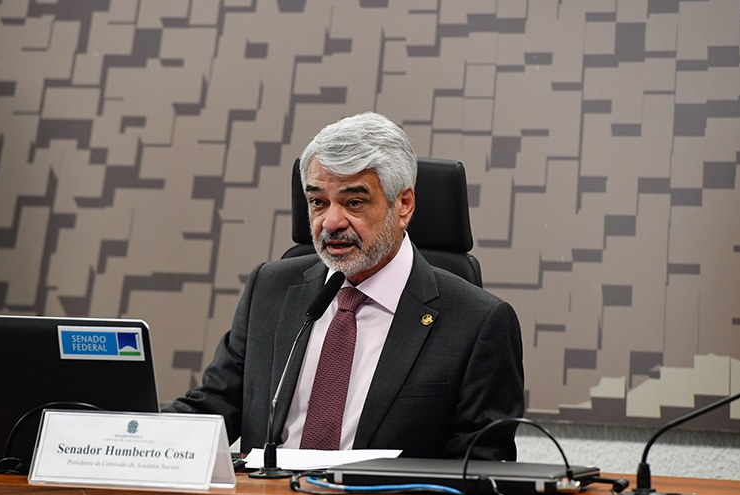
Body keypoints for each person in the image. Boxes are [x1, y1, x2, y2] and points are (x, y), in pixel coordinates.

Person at [165, 112, 524, 460]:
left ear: (404, 205)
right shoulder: (269, 290)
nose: (331, 222)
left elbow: (478, 467)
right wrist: (126, 434)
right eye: (318, 203)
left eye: (354, 202)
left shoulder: (478, 323)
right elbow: (213, 407)